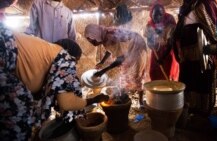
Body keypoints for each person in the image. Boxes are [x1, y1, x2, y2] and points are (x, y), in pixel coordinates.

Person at [0, 4, 108, 139]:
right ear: (70, 55)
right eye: (75, 61)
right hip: (4, 49)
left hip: (4, 43)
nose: (74, 66)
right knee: (19, 118)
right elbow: (67, 103)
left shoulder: (45, 51)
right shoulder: (64, 56)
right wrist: (93, 100)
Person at [173, 0, 217, 116]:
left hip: (200, 51)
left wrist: (213, 45)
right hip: (186, 52)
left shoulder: (201, 6)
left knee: (201, 78)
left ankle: (203, 110)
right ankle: (190, 107)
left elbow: (209, 27)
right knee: (188, 78)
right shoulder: (184, 8)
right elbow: (178, 31)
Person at [84, 24, 148, 108]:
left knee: (137, 73)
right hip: (128, 49)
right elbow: (109, 49)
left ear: (96, 35)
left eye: (93, 40)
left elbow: (121, 59)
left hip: (137, 45)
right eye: (90, 41)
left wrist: (103, 71)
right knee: (124, 72)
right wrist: (102, 62)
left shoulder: (111, 37)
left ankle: (140, 101)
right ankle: (122, 96)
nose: (93, 43)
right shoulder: (103, 35)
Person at [144, 3, 179, 81]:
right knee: (153, 73)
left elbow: (170, 43)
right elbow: (149, 42)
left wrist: (163, 58)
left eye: (160, 14)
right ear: (151, 14)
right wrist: (150, 44)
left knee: (166, 73)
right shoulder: (149, 25)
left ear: (163, 14)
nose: (158, 17)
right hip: (155, 52)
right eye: (155, 15)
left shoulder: (169, 23)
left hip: (167, 52)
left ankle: (167, 91)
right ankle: (156, 91)